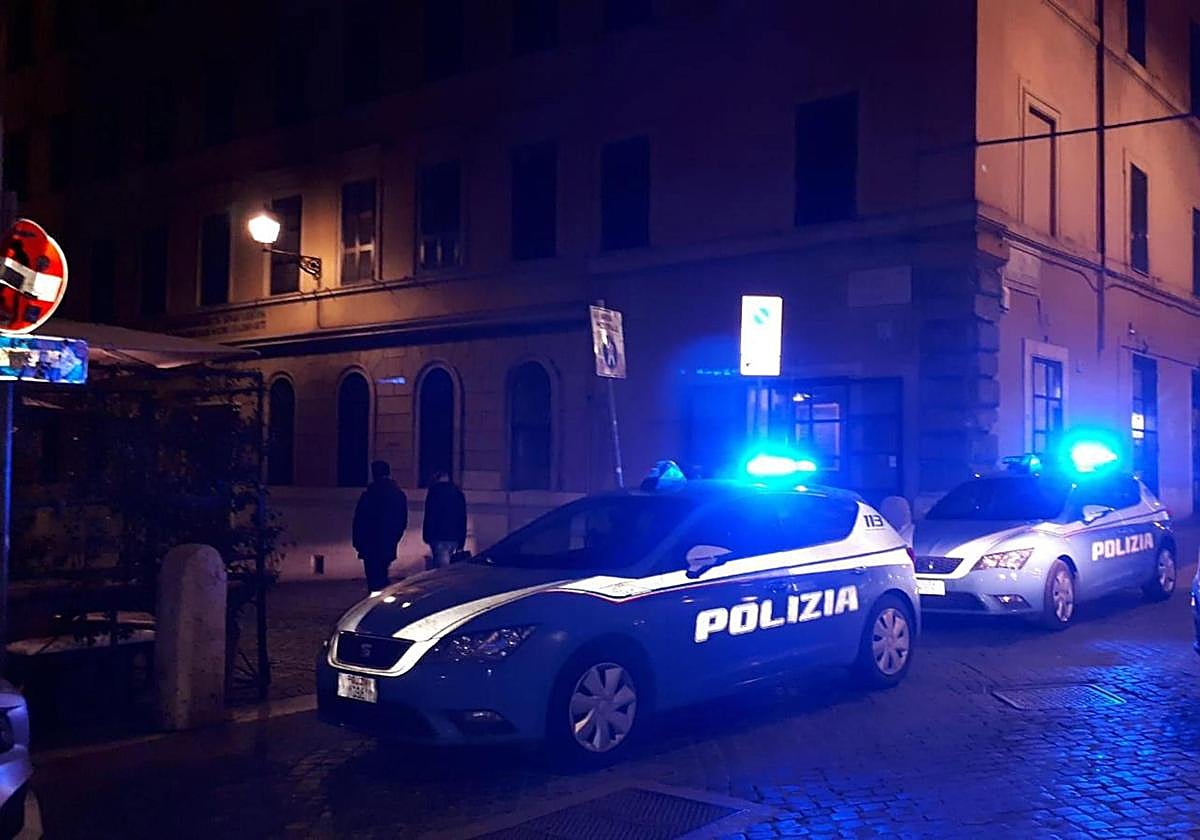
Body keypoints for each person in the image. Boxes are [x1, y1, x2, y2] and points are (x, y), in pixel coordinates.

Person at [352, 460, 408, 594]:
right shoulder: (397, 494)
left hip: (370, 541)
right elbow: (402, 520)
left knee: (374, 577)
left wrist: (358, 542)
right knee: (382, 573)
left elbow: (360, 520)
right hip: (387, 540)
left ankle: (377, 600)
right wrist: (395, 537)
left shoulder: (369, 494)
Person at [422, 470, 467, 569]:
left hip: (438, 535)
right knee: (447, 566)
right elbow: (462, 518)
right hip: (454, 536)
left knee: (442, 568)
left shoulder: (434, 493)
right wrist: (462, 541)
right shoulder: (458, 494)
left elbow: (430, 516)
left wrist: (427, 536)